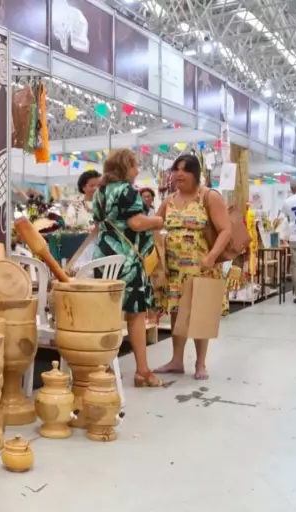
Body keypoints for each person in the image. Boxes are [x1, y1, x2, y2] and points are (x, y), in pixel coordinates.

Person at [154, 154, 231, 380]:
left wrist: (212, 256)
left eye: (185, 169)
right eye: (176, 169)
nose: (179, 174)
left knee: (200, 313)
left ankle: (200, 363)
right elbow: (155, 224)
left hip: (201, 267)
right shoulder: (168, 200)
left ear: (196, 173)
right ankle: (176, 360)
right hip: (174, 270)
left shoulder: (208, 196)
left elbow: (225, 230)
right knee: (176, 313)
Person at [92, 149, 164, 387]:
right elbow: (136, 222)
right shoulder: (127, 191)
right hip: (127, 259)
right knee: (135, 314)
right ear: (126, 167)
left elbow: (99, 225)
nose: (137, 170)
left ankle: (105, 369)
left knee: (107, 313)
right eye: (135, 166)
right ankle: (142, 371)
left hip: (103, 257)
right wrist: (157, 221)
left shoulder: (99, 192)